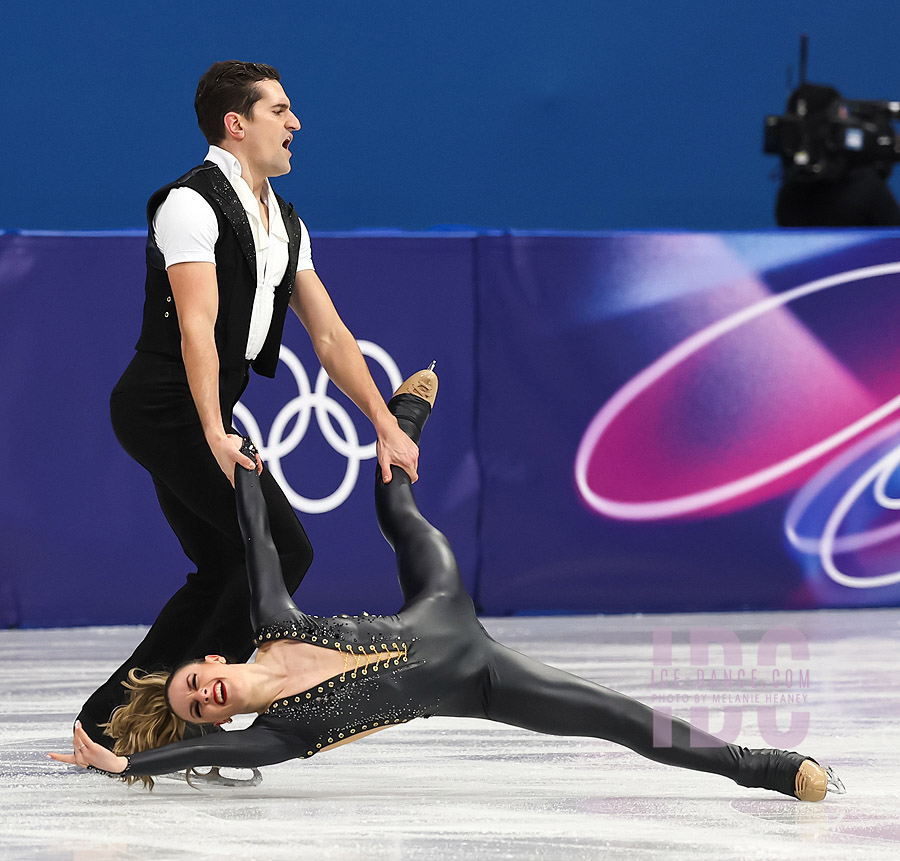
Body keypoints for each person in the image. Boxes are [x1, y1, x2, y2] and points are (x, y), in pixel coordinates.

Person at [53, 369, 844, 803]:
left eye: (195, 682)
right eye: (201, 710)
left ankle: (403, 417)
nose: (207, 694)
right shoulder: (282, 733)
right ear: (213, 723)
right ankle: (770, 768)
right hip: (478, 677)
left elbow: (256, 539)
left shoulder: (271, 617)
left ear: (211, 661)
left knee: (396, 505)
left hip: (440, 607)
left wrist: (246, 463)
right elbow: (177, 753)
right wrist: (127, 766)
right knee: (623, 720)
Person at [76, 60, 419, 750]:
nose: (296, 124)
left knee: (227, 567)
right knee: (284, 548)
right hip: (164, 405)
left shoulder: (285, 223)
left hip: (199, 408)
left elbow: (329, 335)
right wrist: (212, 428)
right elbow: (195, 327)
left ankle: (111, 722)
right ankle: (171, 717)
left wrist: (384, 423)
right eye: (280, 111)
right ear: (237, 124)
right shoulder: (189, 204)